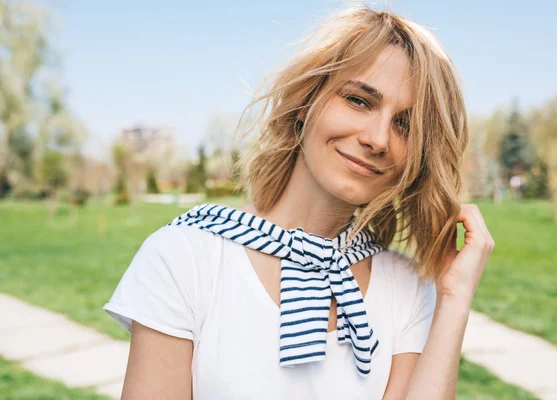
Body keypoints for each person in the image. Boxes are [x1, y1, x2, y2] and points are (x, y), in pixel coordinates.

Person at [103, 6, 495, 399]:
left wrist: (454, 299)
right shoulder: (185, 257)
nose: (377, 138)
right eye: (359, 100)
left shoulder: (407, 286)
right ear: (306, 103)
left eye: (404, 125)